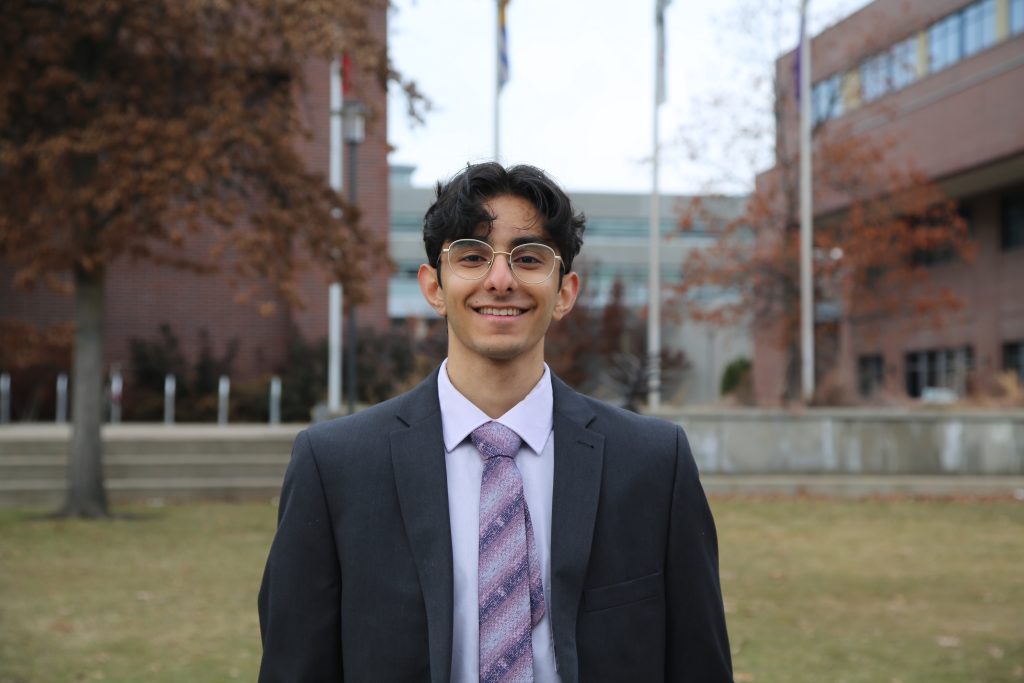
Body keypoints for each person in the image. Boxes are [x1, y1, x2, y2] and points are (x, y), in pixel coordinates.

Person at [258, 162, 733, 682]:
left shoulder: (653, 464)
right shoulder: (335, 467)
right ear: (434, 287)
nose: (501, 280)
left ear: (566, 292)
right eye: (471, 256)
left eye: (529, 258)